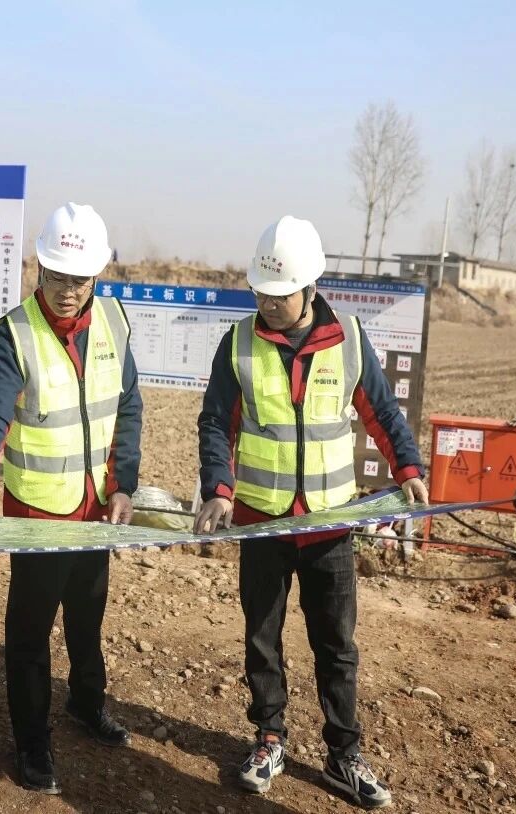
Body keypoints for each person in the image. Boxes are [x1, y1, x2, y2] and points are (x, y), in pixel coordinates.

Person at [193, 216, 427, 808]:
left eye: (280, 294)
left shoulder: (348, 338)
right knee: (262, 639)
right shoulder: (238, 344)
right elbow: (217, 422)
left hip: (328, 526)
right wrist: (219, 489)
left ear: (311, 288)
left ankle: (344, 754)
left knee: (336, 645)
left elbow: (382, 411)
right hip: (264, 522)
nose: (268, 304)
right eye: (261, 293)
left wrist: (407, 468)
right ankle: (269, 738)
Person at [0, 203, 142, 795]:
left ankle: (86, 703)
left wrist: (123, 483)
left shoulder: (113, 323)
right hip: (38, 515)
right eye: (56, 276)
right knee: (30, 632)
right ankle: (32, 742)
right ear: (39, 269)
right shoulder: (15, 334)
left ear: (96, 276)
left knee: (87, 614)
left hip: (94, 508)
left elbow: (127, 407)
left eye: (79, 279)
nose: (68, 291)